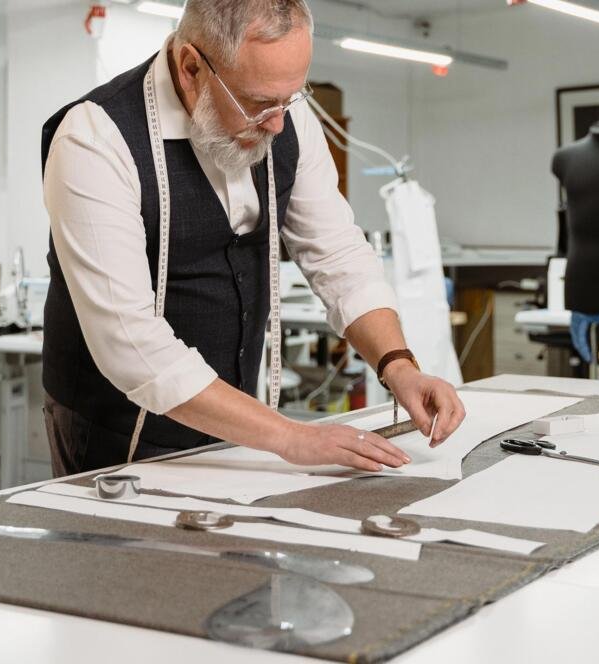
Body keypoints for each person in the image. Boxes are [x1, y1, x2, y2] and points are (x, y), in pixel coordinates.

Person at [40, 0, 465, 477]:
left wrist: (399, 365)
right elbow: (129, 343)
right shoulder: (95, 138)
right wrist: (291, 437)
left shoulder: (283, 114)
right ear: (191, 68)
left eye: (291, 98)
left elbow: (339, 255)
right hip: (114, 429)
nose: (278, 123)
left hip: (237, 424)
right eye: (258, 103)